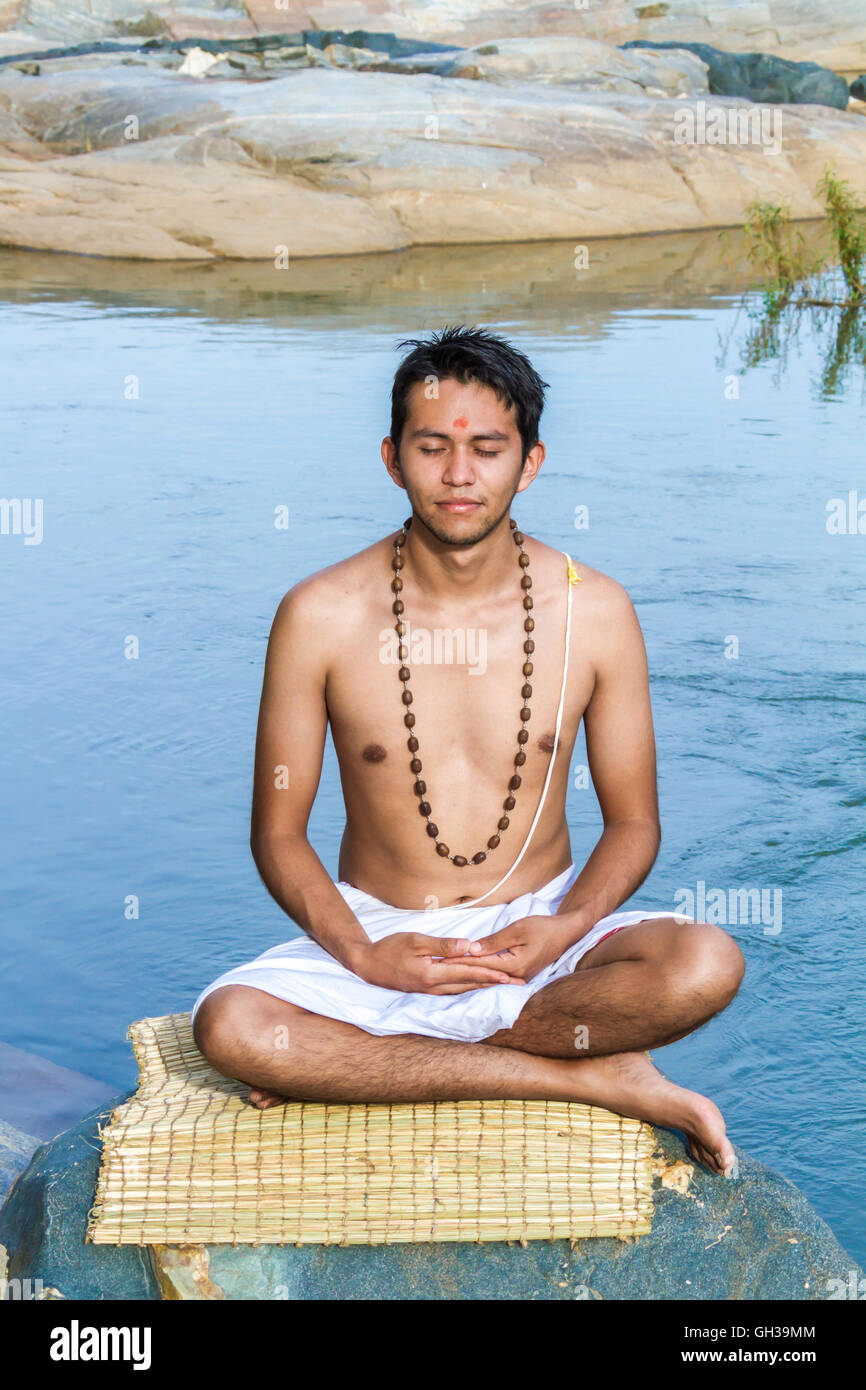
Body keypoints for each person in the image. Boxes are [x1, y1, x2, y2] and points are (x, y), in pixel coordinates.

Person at [191, 325, 745, 1177]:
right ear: (390, 457)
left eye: (487, 449)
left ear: (529, 462)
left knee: (706, 962)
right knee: (231, 1028)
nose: (458, 476)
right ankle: (591, 1078)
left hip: (543, 933)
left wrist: (564, 925)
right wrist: (364, 954)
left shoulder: (595, 611)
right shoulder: (320, 614)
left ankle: (378, 1065)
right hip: (382, 937)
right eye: (432, 447)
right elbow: (278, 834)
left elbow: (634, 824)